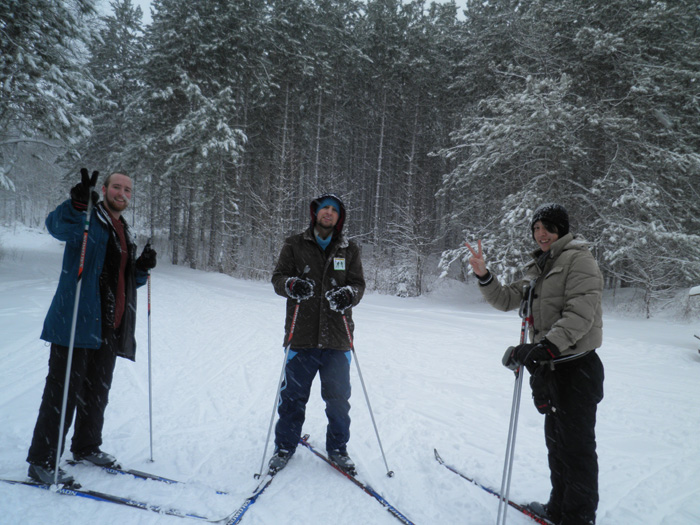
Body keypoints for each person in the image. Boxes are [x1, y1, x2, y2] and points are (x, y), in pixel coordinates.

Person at [465, 203, 604, 525]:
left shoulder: (579, 260)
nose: (541, 234)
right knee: (557, 445)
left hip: (576, 367)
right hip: (551, 366)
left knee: (577, 449)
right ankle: (559, 508)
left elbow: (580, 314)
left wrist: (545, 347)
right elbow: (505, 299)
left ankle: (579, 518)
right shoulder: (540, 266)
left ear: (562, 230)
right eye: (536, 228)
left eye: (548, 228)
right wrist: (483, 274)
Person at [26, 169, 157, 485]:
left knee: (96, 392)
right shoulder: (87, 218)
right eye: (116, 187)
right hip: (76, 323)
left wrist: (140, 269)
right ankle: (42, 461)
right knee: (63, 394)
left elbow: (121, 280)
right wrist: (75, 204)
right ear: (104, 188)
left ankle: (86, 447)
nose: (121, 193)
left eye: (127, 189)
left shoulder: (123, 229)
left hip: (109, 327)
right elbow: (56, 227)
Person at [269, 193, 365, 474]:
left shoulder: (349, 249)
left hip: (338, 338)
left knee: (338, 401)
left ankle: (338, 449)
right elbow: (278, 278)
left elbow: (358, 284)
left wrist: (349, 294)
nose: (329, 213)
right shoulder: (295, 244)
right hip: (301, 336)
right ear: (315, 213)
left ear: (339, 217)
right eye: (325, 208)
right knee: (292, 399)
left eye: (334, 210)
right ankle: (285, 446)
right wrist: (291, 284)